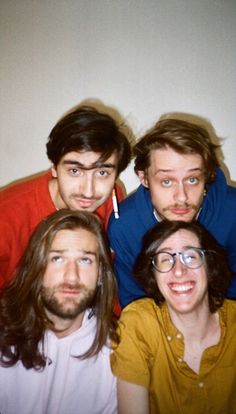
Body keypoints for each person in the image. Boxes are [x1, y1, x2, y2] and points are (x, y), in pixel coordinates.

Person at [108, 117, 236, 307]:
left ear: (207, 175)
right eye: (167, 181)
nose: (182, 197)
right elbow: (135, 305)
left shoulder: (232, 212)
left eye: (192, 179)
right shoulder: (125, 226)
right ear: (144, 178)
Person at [111, 220, 236, 414]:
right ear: (153, 274)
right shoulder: (139, 323)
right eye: (166, 259)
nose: (178, 271)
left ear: (209, 266)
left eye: (190, 257)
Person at [0, 209, 118, 414]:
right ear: (37, 266)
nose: (72, 277)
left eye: (85, 260)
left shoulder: (117, 354)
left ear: (101, 274)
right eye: (57, 258)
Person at [0, 104, 132, 288]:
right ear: (54, 167)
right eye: (75, 171)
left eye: (102, 173)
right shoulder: (6, 214)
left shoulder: (113, 198)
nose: (88, 191)